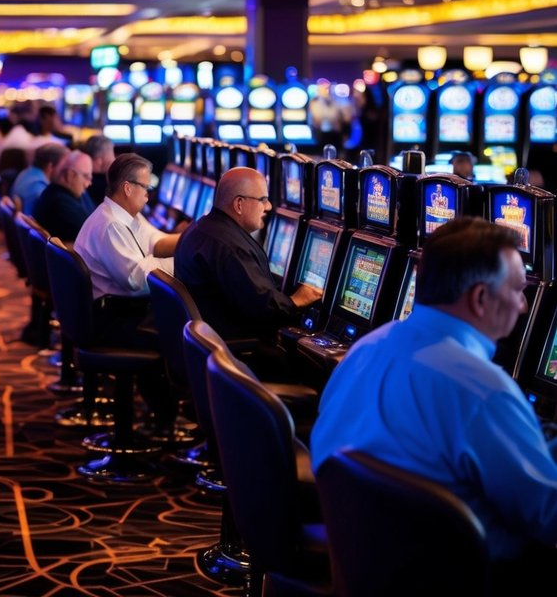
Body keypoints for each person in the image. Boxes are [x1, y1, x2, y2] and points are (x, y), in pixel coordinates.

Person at [310, 217, 557, 585]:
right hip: (457, 574)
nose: (524, 305)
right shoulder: (483, 390)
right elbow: (547, 515)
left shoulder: (368, 346)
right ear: (480, 298)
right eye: (519, 289)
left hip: (362, 554)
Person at [74, 152, 181, 431]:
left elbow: (156, 241)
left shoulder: (125, 216)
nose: (149, 194)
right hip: (109, 319)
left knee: (174, 322)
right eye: (147, 187)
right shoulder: (110, 224)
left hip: (118, 311)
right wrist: (181, 263)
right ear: (128, 187)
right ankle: (166, 420)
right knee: (178, 333)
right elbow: (136, 279)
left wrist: (194, 239)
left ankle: (162, 416)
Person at [174, 167, 323, 348]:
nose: (269, 207)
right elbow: (264, 309)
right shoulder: (229, 247)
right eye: (263, 200)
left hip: (207, 346)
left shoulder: (201, 227)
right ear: (239, 204)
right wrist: (298, 300)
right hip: (235, 353)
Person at [32, 150, 94, 245]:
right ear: (70, 175)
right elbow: (93, 237)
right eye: (86, 176)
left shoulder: (57, 193)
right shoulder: (60, 204)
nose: (88, 183)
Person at [11, 142, 67, 216]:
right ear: (50, 166)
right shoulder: (39, 189)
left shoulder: (26, 173)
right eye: (64, 166)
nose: (67, 171)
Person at [81, 134, 116, 208]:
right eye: (111, 155)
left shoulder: (81, 178)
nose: (114, 160)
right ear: (99, 160)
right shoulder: (102, 186)